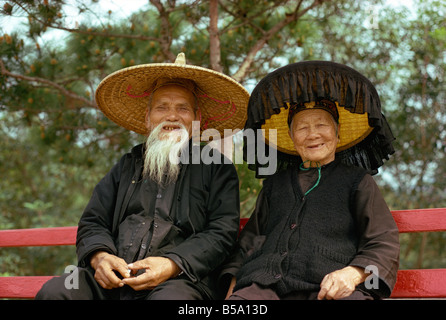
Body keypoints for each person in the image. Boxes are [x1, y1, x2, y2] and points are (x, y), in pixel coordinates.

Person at [36, 53, 250, 300]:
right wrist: (101, 257)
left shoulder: (217, 168)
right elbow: (93, 221)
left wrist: (171, 264)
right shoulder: (126, 166)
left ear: (197, 119)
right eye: (162, 107)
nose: (172, 116)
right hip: (114, 280)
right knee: (57, 291)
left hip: (180, 281)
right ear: (148, 118)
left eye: (182, 108)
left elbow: (221, 233)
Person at [223, 61, 400, 300]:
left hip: (329, 292)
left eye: (321, 125)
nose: (313, 134)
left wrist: (353, 274)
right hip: (264, 289)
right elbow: (248, 243)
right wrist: (233, 292)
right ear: (291, 138)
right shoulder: (274, 185)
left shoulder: (358, 182)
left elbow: (383, 241)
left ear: (337, 133)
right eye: (302, 127)